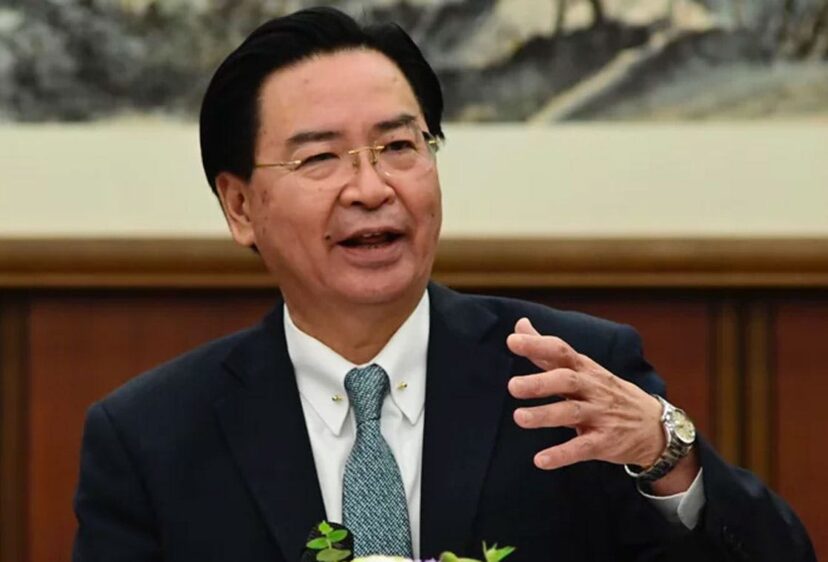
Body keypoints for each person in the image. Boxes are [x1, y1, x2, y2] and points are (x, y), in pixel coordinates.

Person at [72, 7, 815, 562]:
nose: (372, 189)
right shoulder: (152, 438)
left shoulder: (566, 377)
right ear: (240, 207)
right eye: (320, 158)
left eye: (400, 146)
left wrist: (666, 456)